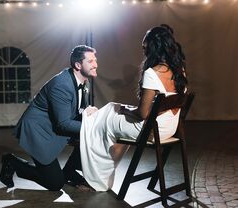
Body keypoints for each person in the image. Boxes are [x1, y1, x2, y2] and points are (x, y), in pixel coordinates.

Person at [79, 25, 188, 191]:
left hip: (151, 130)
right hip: (169, 128)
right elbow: (157, 106)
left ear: (154, 47)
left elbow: (142, 113)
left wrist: (126, 111)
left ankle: (96, 177)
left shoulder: (153, 72)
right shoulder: (179, 70)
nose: (143, 50)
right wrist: (126, 109)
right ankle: (101, 171)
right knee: (112, 109)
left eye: (145, 47)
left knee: (105, 118)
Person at [0, 45, 98, 191]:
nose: (95, 64)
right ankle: (12, 162)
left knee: (90, 136)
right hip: (38, 130)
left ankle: (69, 171)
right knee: (55, 184)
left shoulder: (85, 81)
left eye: (95, 60)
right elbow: (63, 124)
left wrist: (89, 113)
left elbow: (77, 110)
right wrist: (94, 127)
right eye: (90, 61)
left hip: (54, 126)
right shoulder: (62, 85)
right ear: (78, 65)